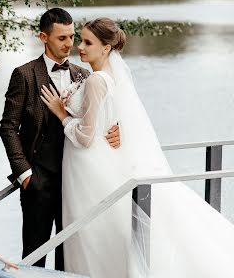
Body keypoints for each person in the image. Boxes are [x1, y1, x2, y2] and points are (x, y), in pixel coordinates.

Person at [41, 17, 234, 278]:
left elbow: (86, 137)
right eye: (81, 40)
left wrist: (60, 113)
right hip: (96, 161)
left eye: (88, 42)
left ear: (106, 48)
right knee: (99, 230)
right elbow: (112, 116)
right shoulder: (106, 76)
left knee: (90, 232)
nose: (80, 47)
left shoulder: (97, 80)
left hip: (88, 166)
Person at [0, 8, 120, 271]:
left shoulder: (83, 74)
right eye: (62, 38)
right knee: (34, 256)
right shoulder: (24, 74)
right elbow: (8, 128)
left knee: (72, 256)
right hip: (38, 182)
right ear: (43, 37)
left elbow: (98, 118)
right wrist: (25, 174)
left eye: (72, 36)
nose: (70, 44)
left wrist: (115, 130)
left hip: (77, 183)